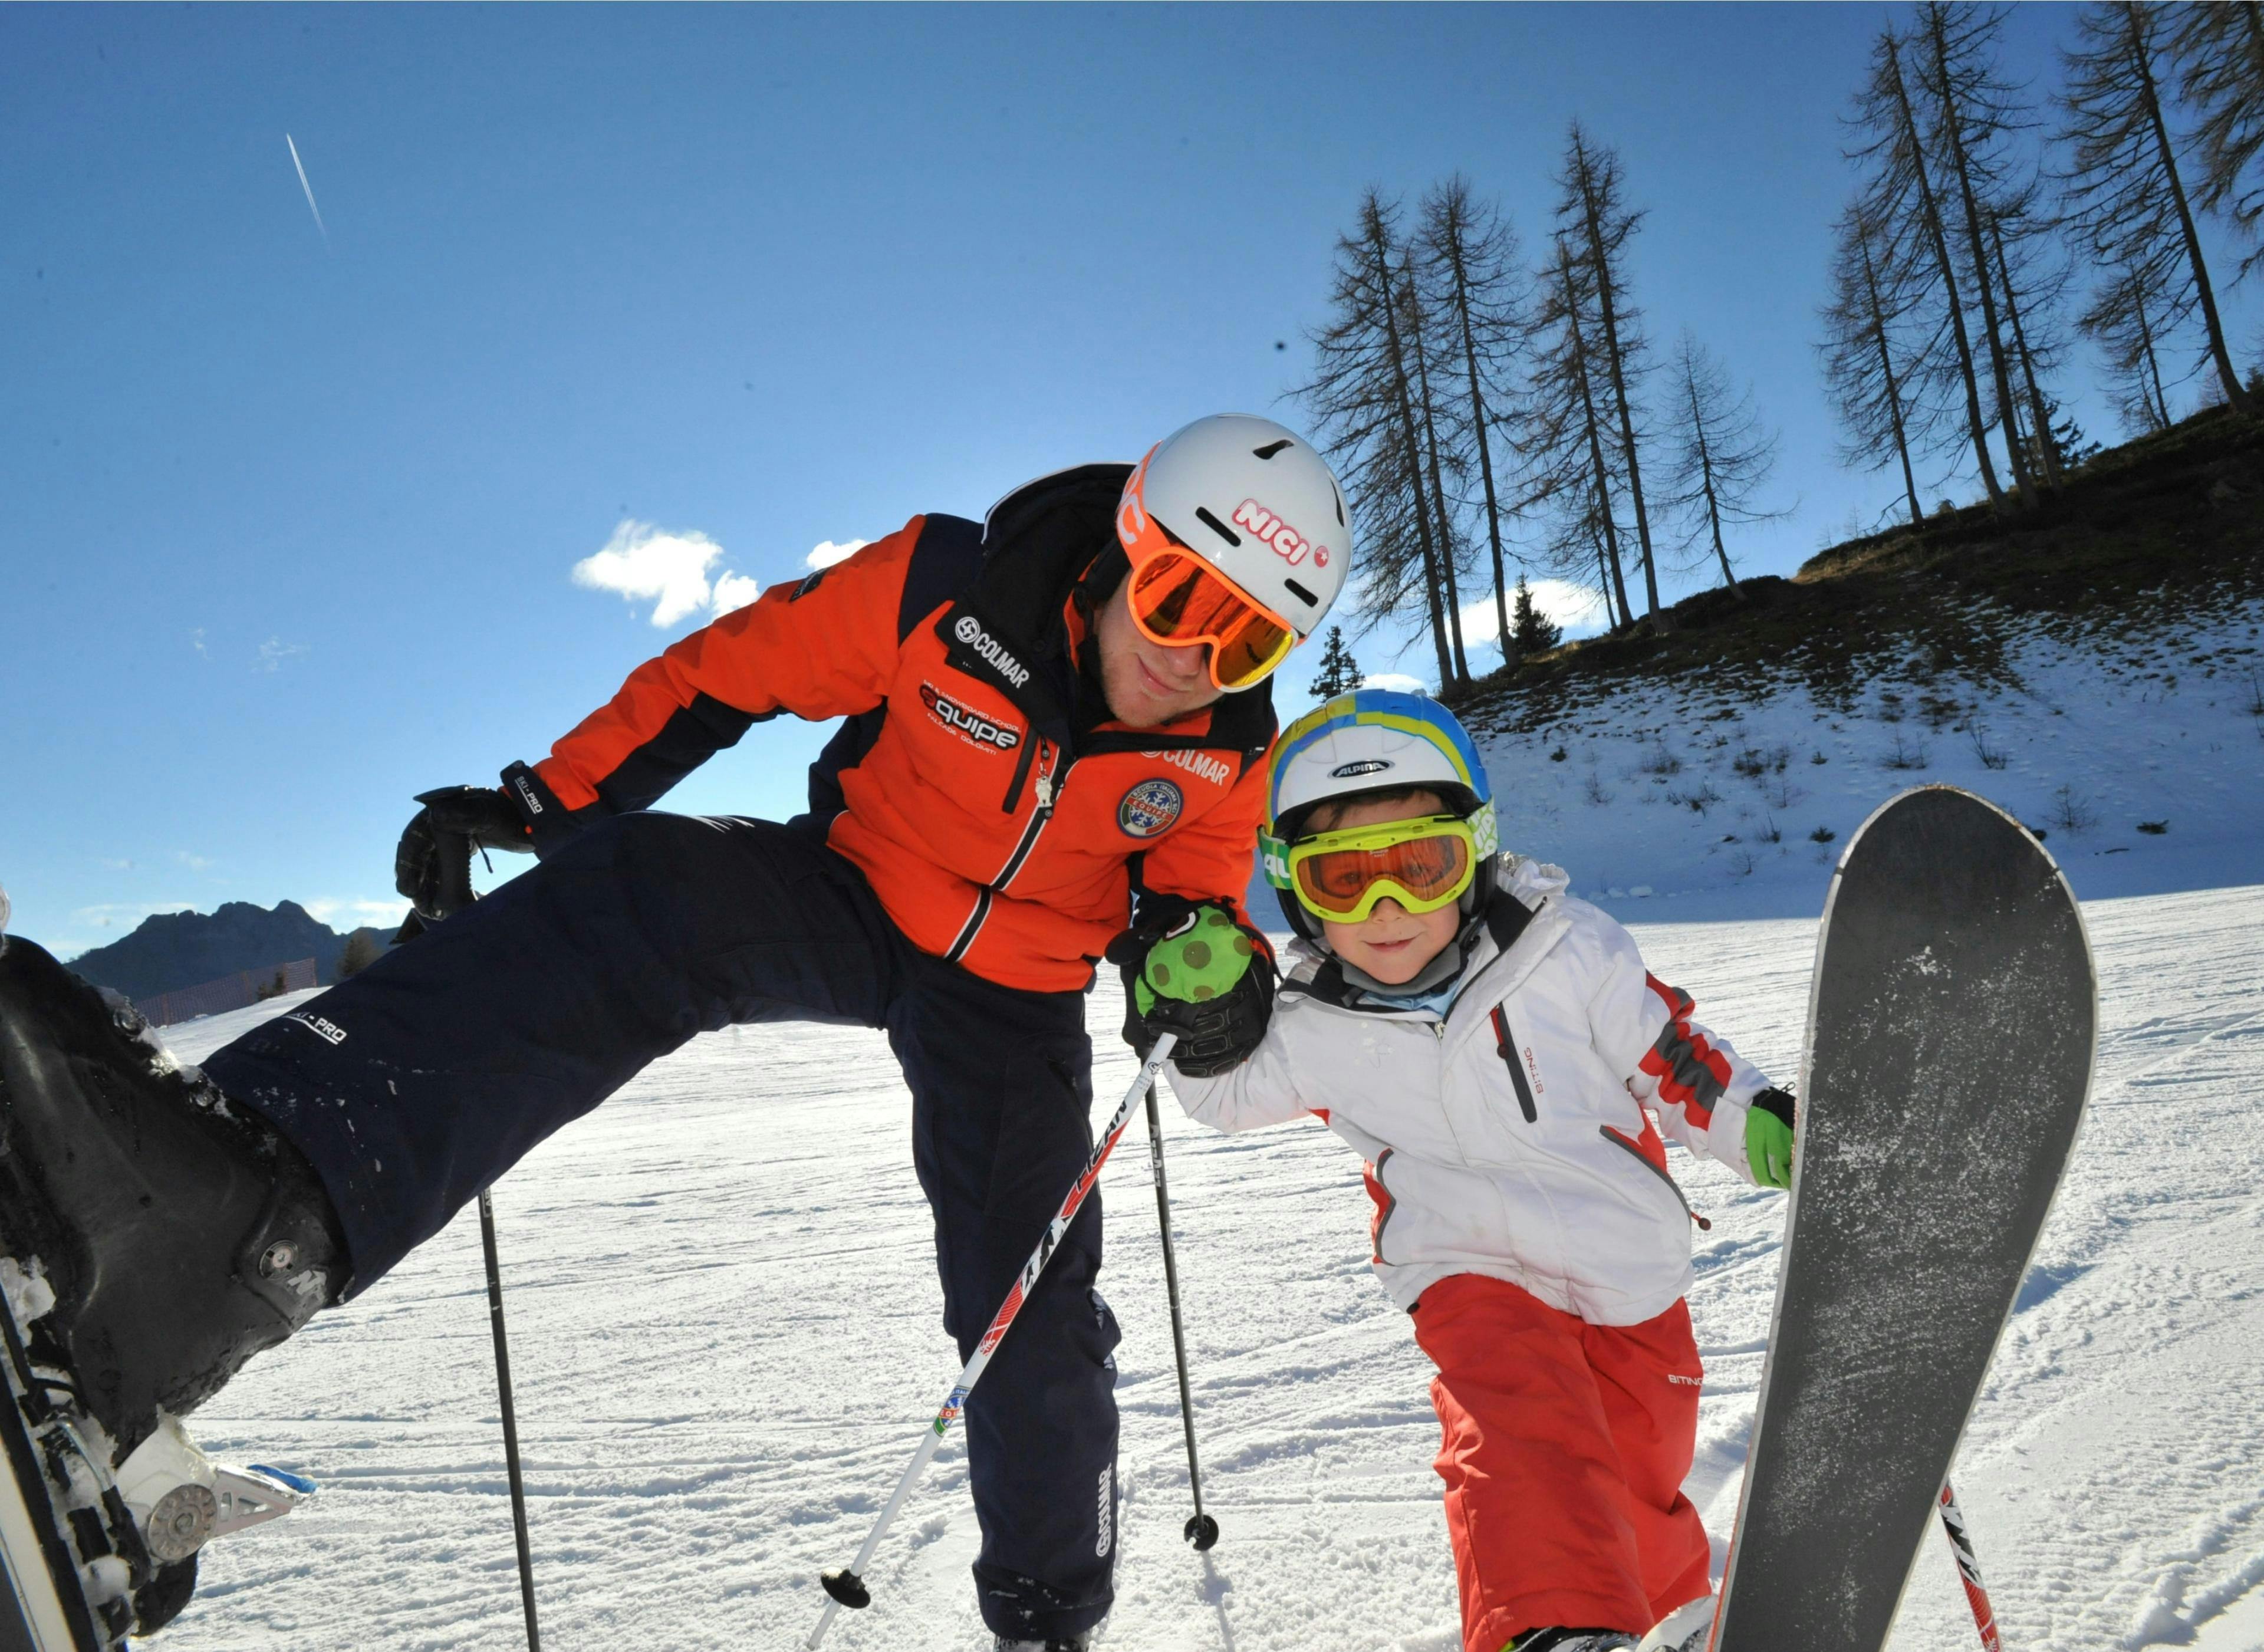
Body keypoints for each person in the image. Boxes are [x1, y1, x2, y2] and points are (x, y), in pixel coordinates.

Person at [0, 414, 1350, 1650]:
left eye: (1248, 643)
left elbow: (1186, 910)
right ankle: (232, 1218)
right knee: (639, 890)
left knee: (1031, 1307)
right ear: (1125, 546)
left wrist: (1207, 984)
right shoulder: (948, 587)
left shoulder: (1223, 745)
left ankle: (1050, 1617)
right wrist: (549, 803)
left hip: (1016, 993)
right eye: (1181, 601)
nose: (1193, 660)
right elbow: (730, 674)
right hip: (856, 885)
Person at [1124, 690, 1799, 1652]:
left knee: (1638, 1474)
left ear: (1474, 854)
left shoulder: (1572, 952)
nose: (1386, 908)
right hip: (1465, 1270)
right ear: (1297, 889)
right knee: (1520, 1436)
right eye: (1344, 879)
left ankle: (1671, 1621)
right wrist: (1192, 1020)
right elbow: (1225, 1093)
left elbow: (1673, 1058)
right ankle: (1552, 1627)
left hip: (1628, 1272)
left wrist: (1760, 1122)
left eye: (1418, 865)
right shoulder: (1313, 1023)